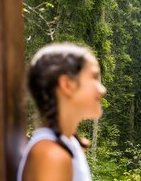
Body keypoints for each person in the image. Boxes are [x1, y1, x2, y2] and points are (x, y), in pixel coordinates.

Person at [17, 43, 107, 181]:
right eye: (94, 77)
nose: (102, 90)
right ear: (66, 85)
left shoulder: (68, 143)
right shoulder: (51, 155)